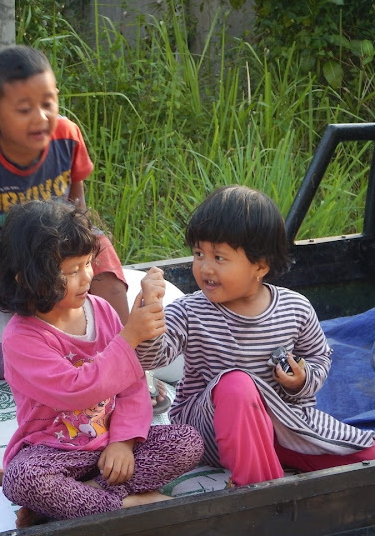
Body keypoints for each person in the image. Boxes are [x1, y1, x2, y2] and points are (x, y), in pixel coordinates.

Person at [0, 199, 203, 526]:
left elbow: (132, 385)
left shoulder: (101, 310)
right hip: (52, 453)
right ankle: (127, 505)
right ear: (27, 278)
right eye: (72, 271)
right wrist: (129, 338)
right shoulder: (22, 337)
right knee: (24, 478)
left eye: (87, 263)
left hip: (109, 449)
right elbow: (76, 389)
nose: (87, 277)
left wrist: (123, 443)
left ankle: (79, 499)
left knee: (186, 442)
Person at [136, 185, 375, 487]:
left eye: (219, 257)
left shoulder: (294, 308)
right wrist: (149, 322)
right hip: (210, 429)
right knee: (236, 384)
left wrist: (303, 379)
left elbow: (319, 356)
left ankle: (273, 456)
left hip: (286, 422)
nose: (204, 267)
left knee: (366, 453)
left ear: (260, 265)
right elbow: (154, 357)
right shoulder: (189, 310)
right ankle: (263, 493)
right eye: (199, 253)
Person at [0, 44, 130, 325]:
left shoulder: (67, 135)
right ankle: (51, 344)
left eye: (48, 104)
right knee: (34, 286)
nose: (41, 117)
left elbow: (76, 196)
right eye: (24, 109)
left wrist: (84, 239)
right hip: (6, 242)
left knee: (106, 266)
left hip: (64, 225)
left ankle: (127, 348)